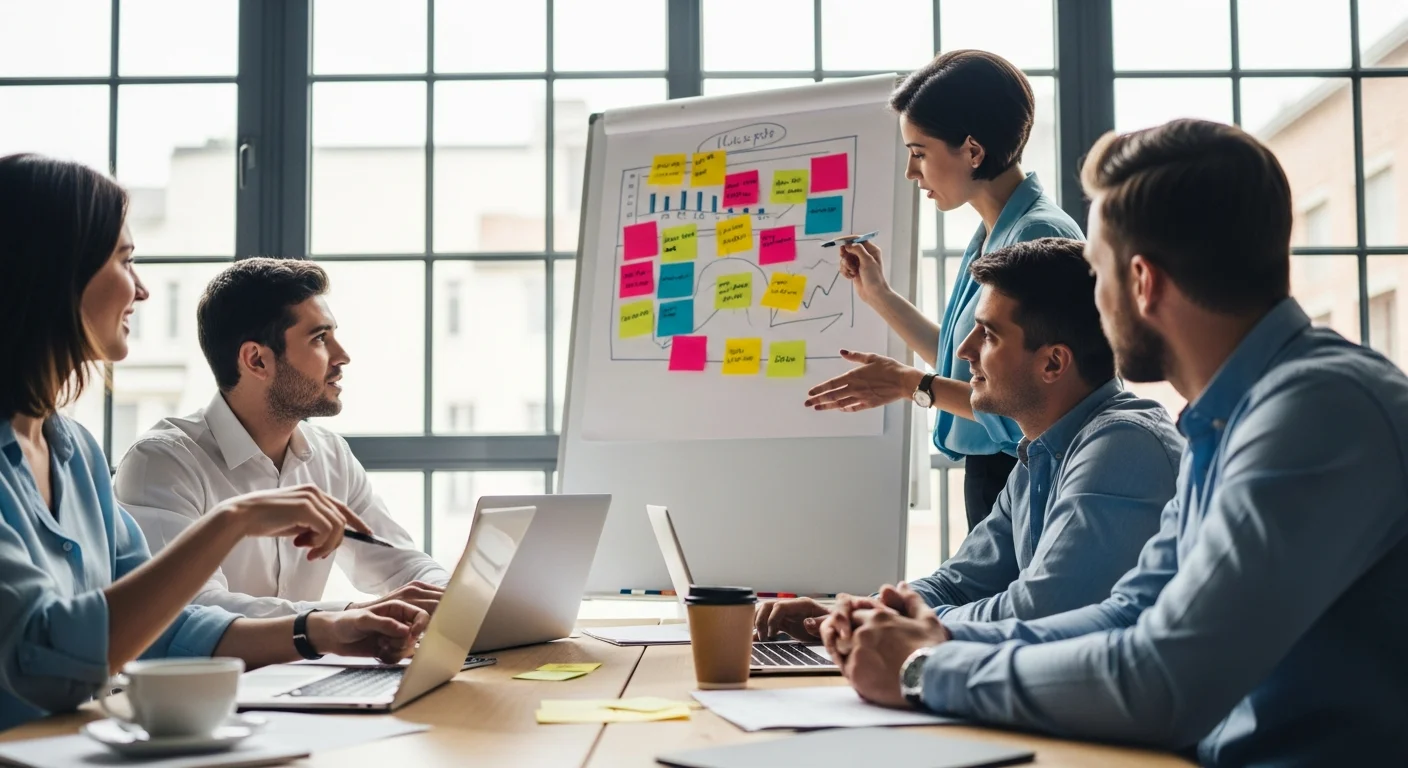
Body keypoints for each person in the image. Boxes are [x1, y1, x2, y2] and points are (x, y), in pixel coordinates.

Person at [820, 119, 1408, 765]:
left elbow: (1167, 678)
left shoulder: (1316, 413)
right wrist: (934, 640)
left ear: (1143, 282)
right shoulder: (1226, 419)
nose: (1092, 306)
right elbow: (1130, 613)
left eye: (1096, 274)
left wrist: (924, 671)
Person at [0, 154, 429, 731]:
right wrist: (234, 520)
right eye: (126, 260)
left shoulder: (73, 452)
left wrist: (325, 631)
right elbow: (42, 657)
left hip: (77, 743)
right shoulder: (157, 460)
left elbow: (163, 626)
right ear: (56, 271)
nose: (143, 290)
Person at [756, 238, 1181, 641]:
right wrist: (852, 612)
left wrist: (897, 625)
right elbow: (960, 582)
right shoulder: (1043, 452)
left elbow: (1038, 609)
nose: (964, 350)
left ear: (1053, 362)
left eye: (989, 335)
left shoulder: (1122, 447)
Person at [803, 50, 1084, 532]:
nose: (912, 173)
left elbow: (1029, 397)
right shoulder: (997, 228)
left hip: (1022, 471)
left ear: (973, 151)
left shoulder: (1036, 237)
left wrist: (910, 385)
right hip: (1001, 471)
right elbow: (968, 363)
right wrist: (879, 295)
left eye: (919, 153)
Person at [114, 258, 449, 618]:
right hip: (211, 676)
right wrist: (349, 617)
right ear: (256, 360)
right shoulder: (162, 464)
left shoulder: (331, 456)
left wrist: (453, 598)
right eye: (320, 338)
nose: (343, 357)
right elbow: (193, 609)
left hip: (307, 674)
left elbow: (402, 565)